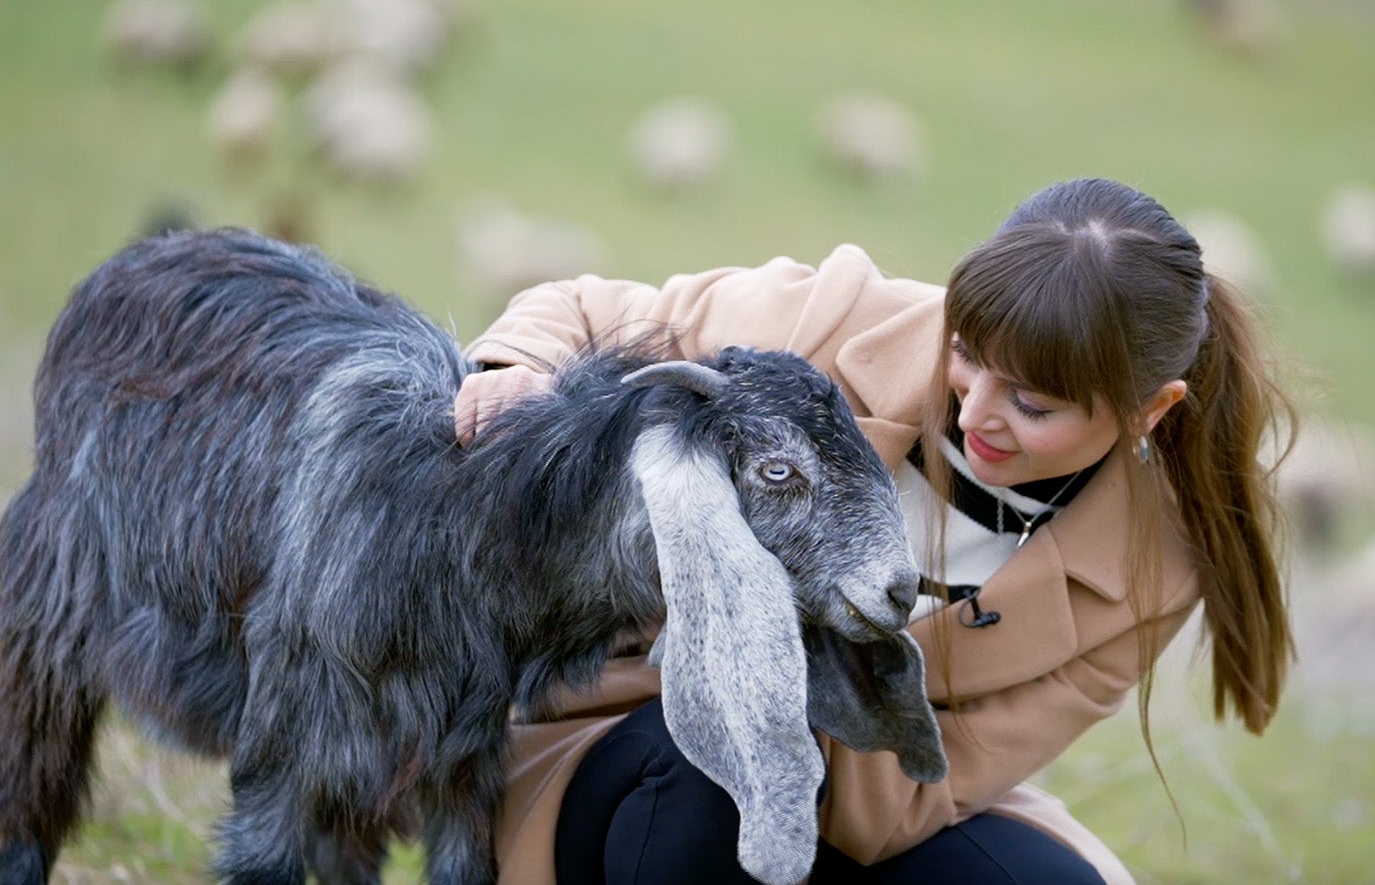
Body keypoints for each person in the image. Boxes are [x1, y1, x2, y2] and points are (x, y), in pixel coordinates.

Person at [453, 176, 1296, 885]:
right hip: (627, 734)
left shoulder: (1154, 568)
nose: (977, 412)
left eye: (1033, 404)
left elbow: (947, 774)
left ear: (1152, 408)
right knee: (718, 772)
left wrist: (809, 751)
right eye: (967, 354)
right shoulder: (834, 317)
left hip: (872, 790)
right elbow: (582, 308)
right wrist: (516, 371)